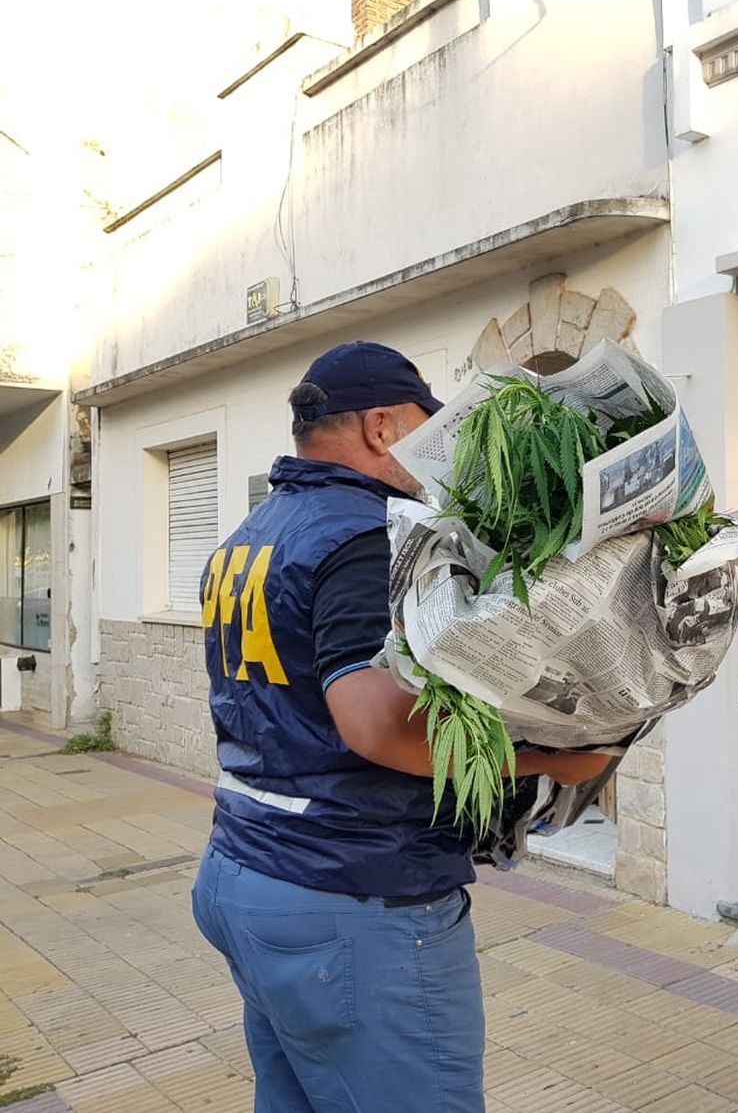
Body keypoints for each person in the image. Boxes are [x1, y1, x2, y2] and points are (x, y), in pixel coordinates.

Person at [190, 342, 610, 1112]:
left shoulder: (247, 536)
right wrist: (545, 755)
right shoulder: (361, 534)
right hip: (349, 895)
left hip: (245, 871)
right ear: (383, 427)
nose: (437, 455)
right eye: (429, 428)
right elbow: (374, 723)